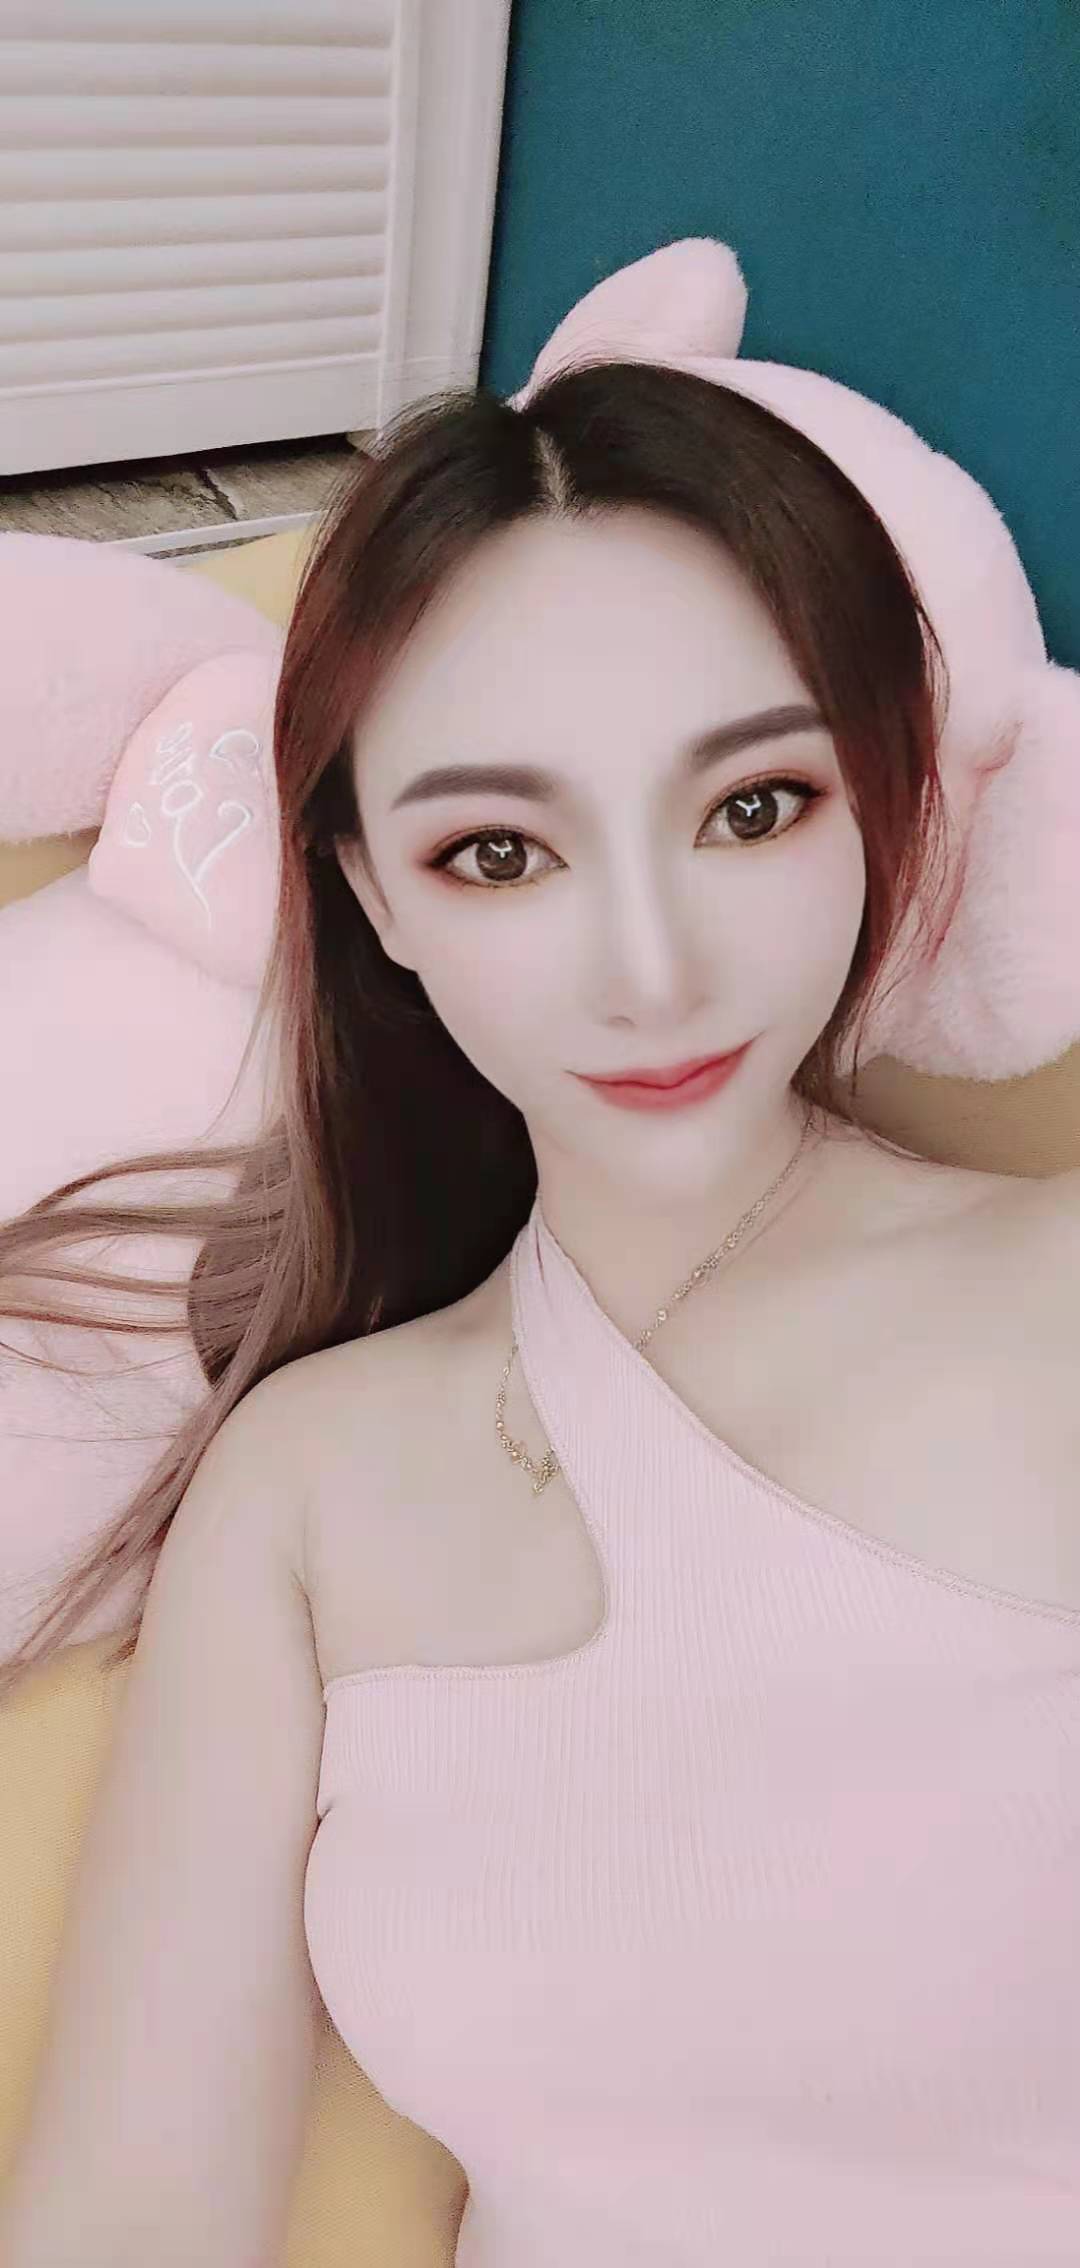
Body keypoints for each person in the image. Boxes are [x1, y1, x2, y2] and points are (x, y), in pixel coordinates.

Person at [2, 247, 1079, 2266]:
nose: (650, 969)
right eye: (500, 852)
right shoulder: (306, 1480)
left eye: (754, 808)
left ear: (883, 803)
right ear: (373, 897)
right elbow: (126, 2219)